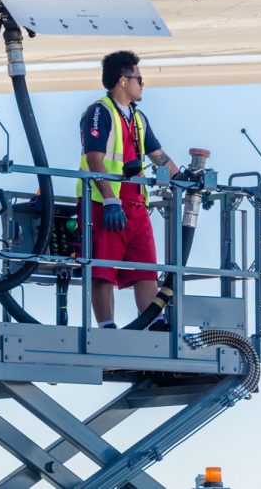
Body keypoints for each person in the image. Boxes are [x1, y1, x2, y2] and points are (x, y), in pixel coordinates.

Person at [77, 50, 179, 330]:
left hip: (135, 206)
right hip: (103, 204)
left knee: (146, 268)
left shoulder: (137, 118)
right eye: (139, 78)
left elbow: (158, 155)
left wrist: (183, 178)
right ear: (123, 80)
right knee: (103, 270)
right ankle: (107, 326)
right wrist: (110, 199)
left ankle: (153, 322)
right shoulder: (99, 112)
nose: (142, 84)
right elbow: (93, 158)